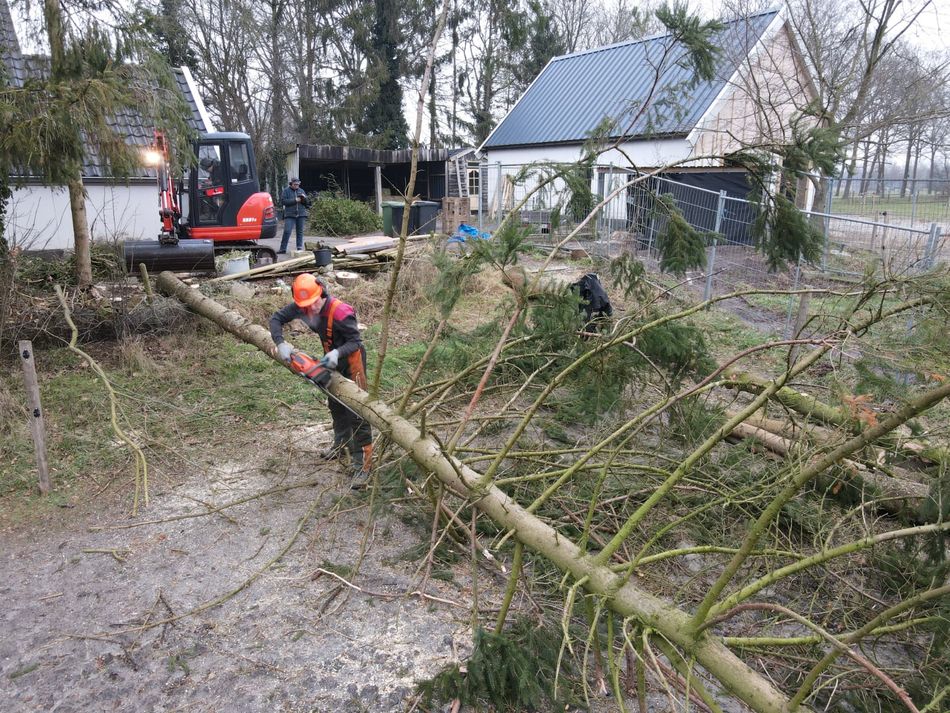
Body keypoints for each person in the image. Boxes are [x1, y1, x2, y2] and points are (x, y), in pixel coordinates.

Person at [270, 273, 373, 488]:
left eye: (313, 304)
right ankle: (342, 443)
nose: (309, 310)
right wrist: (280, 343)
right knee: (335, 404)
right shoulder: (302, 306)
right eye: (304, 306)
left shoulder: (341, 312)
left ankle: (363, 465)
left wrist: (337, 353)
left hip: (351, 361)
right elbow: (276, 318)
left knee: (357, 411)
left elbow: (355, 341)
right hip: (330, 359)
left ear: (321, 293)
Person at [278, 177, 310, 254]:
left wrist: (304, 199)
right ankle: (283, 249)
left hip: (301, 214)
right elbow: (283, 202)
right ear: (291, 184)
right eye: (295, 184)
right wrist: (295, 200)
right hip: (290, 214)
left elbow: (307, 203)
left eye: (298, 184)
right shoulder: (286, 191)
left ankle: (299, 248)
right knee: (287, 231)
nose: (297, 186)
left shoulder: (301, 191)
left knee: (300, 232)